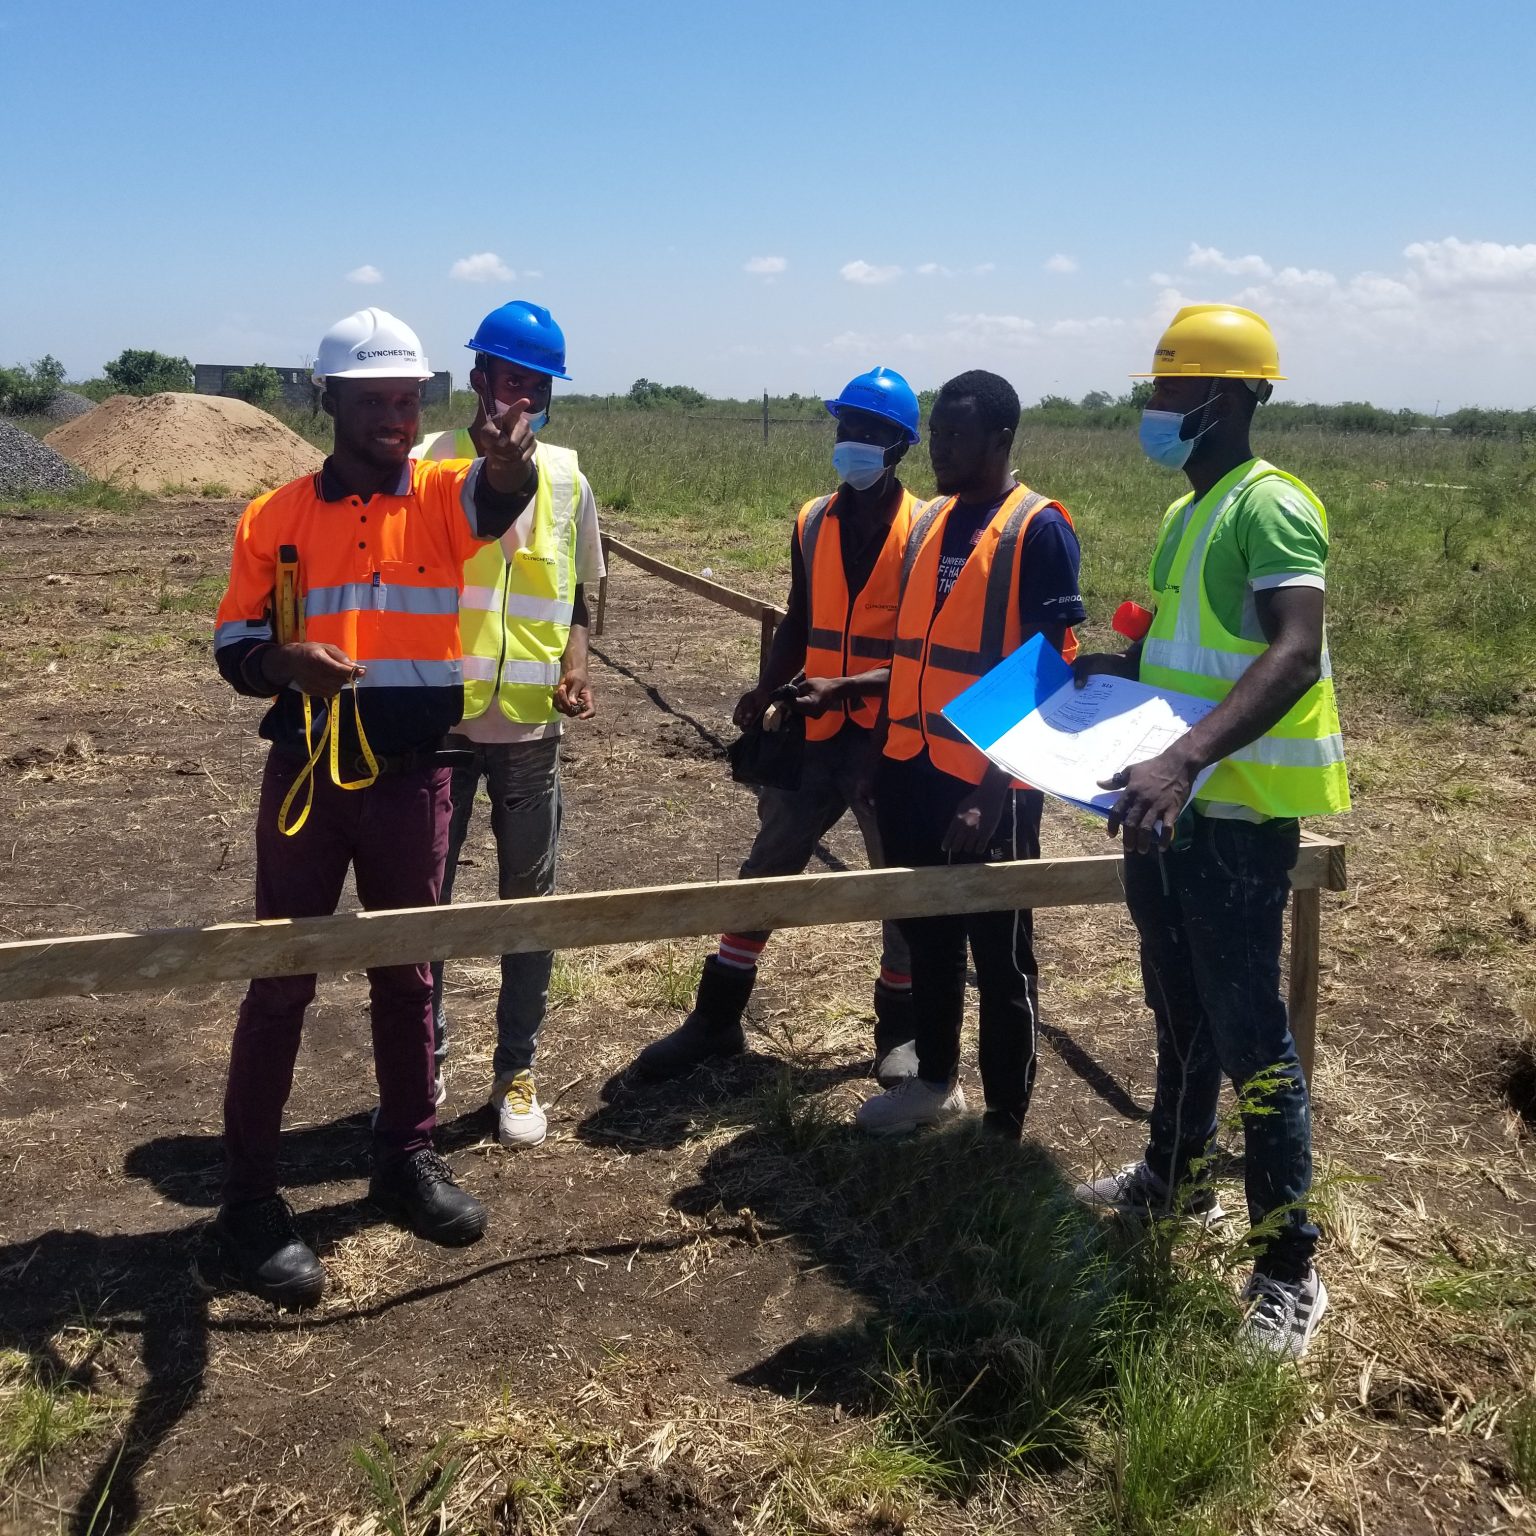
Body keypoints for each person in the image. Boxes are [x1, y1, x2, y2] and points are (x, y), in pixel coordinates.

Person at [211, 307, 539, 1307]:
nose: (396, 418)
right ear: (330, 402)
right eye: (375, 402)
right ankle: (248, 1202)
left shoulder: (444, 494)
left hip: (411, 779)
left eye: (407, 399)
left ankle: (405, 1158)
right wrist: (283, 662)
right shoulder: (273, 517)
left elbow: (499, 497)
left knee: (407, 975)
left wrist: (510, 462)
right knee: (282, 981)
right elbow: (232, 644)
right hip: (310, 777)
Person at [1072, 304, 1350, 1359]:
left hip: (1231, 815)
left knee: (1253, 1043)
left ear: (1225, 400)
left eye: (1169, 391)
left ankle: (1288, 1271)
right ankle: (1172, 1178)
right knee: (1177, 1008)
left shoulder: (1271, 503)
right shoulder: (1189, 512)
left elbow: (1293, 652)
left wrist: (1185, 760)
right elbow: (1191, 651)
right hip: (1169, 814)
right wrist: (1119, 673)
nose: (1153, 410)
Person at [631, 368, 924, 1084]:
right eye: (846, 426)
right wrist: (766, 687)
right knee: (766, 867)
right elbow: (801, 616)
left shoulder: (925, 530)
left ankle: (900, 1032)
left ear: (899, 446)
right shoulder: (814, 519)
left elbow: (925, 651)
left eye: (871, 431)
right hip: (812, 732)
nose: (853, 440)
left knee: (899, 882)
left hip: (888, 737)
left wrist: (849, 689)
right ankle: (716, 1018)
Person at [855, 370, 1085, 1139]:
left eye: (955, 436)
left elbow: (1047, 672)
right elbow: (914, 651)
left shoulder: (1037, 529)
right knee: (930, 935)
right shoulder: (930, 523)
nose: (939, 450)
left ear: (1000, 439)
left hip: (991, 790)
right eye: (936, 434)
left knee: (1001, 953)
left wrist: (990, 792)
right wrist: (876, 747)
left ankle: (1004, 1115)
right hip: (914, 769)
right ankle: (935, 1082)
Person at [411, 301, 603, 1149]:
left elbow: (576, 592)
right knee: (427, 907)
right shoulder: (428, 465)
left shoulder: (567, 477)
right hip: (439, 725)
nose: (522, 400)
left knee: (529, 908)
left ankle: (516, 1069)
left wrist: (576, 665)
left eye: (538, 387)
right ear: (478, 378)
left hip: (528, 732)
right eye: (510, 380)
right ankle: (423, 1064)